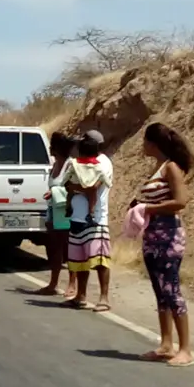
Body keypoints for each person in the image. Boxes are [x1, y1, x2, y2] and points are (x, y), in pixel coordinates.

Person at [135, 123, 194, 367]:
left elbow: (181, 200)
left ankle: (186, 349)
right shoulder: (158, 168)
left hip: (169, 236)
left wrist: (148, 208)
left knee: (171, 291)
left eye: (145, 141)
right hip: (153, 236)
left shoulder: (171, 167)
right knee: (160, 292)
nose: (142, 146)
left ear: (153, 143)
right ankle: (166, 344)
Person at [64, 129, 113, 312]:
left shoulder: (102, 163)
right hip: (78, 216)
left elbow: (92, 186)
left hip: (96, 218)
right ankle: (81, 296)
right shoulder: (82, 163)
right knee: (81, 259)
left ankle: (104, 298)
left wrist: (74, 186)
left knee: (100, 259)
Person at [37, 132, 78, 298]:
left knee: (69, 250)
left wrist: (54, 192)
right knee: (54, 250)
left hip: (67, 212)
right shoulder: (54, 165)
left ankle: (72, 284)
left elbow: (73, 188)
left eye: (52, 145)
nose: (49, 148)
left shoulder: (70, 165)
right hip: (53, 213)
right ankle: (53, 283)